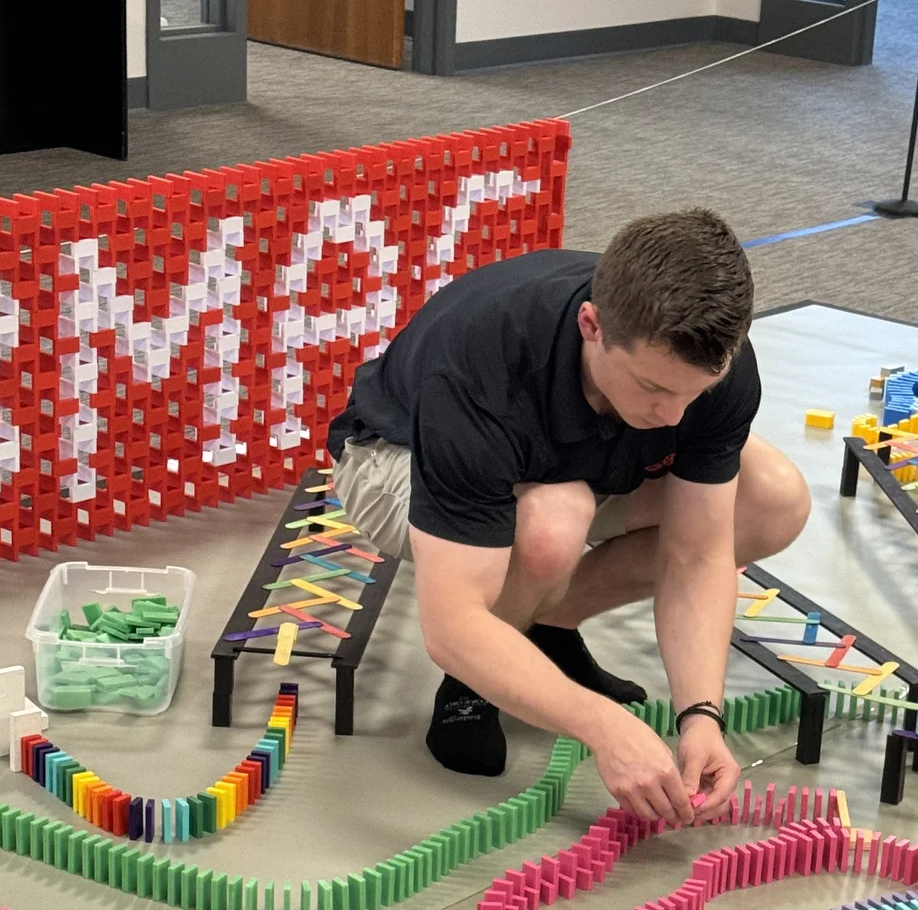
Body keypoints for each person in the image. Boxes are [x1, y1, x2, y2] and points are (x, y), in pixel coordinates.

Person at [328, 207, 810, 826]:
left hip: (582, 452)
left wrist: (701, 715)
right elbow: (451, 625)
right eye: (653, 387)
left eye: (695, 392)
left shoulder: (712, 368)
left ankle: (541, 626)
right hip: (395, 456)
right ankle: (475, 683)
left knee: (771, 498)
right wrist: (603, 727)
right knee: (553, 523)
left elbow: (696, 553)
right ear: (591, 325)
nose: (672, 416)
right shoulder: (481, 367)